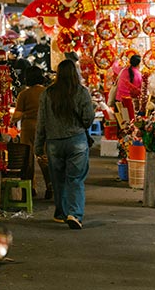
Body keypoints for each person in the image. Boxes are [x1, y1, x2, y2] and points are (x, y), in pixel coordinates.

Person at [35, 59, 94, 230]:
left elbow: (42, 121)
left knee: (58, 178)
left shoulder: (48, 93)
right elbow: (88, 117)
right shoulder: (81, 92)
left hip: (54, 142)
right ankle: (74, 214)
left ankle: (61, 213)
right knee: (75, 179)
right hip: (77, 140)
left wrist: (38, 146)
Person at [13, 66, 52, 199]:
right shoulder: (48, 92)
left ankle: (31, 188)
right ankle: (50, 186)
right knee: (44, 157)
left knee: (28, 158)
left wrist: (16, 117)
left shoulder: (24, 94)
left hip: (28, 127)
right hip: (45, 127)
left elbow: (17, 115)